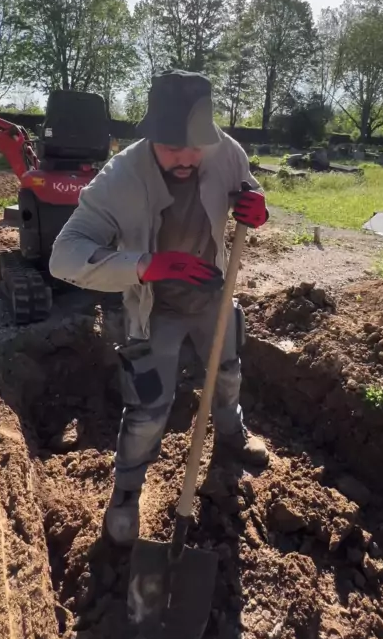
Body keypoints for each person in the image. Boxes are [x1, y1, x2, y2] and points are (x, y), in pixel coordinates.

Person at [49, 69, 270, 545]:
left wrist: (257, 206)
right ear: (151, 134)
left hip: (212, 296)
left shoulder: (224, 151)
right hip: (154, 310)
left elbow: (246, 188)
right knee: (149, 407)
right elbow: (63, 256)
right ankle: (127, 491)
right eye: (173, 148)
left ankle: (232, 433)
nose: (188, 157)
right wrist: (147, 265)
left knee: (227, 371)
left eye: (196, 147)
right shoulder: (119, 178)